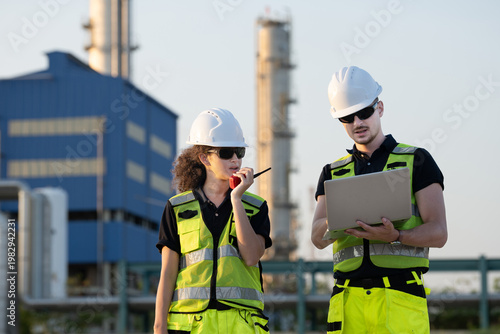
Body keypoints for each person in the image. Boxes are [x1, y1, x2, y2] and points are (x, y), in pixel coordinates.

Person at [311, 66, 448, 334]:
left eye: (364, 113)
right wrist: (339, 217)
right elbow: (317, 238)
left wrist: (396, 235)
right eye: (348, 118)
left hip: (399, 298)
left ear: (380, 108)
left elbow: (439, 232)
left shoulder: (416, 160)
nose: (358, 123)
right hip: (347, 301)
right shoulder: (333, 172)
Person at [154, 108, 272, 334]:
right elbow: (168, 273)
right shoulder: (177, 208)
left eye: (239, 151)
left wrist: (236, 198)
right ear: (204, 157)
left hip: (241, 324)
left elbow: (251, 256)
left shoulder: (256, 207)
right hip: (189, 324)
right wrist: (159, 326)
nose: (235, 159)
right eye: (226, 152)